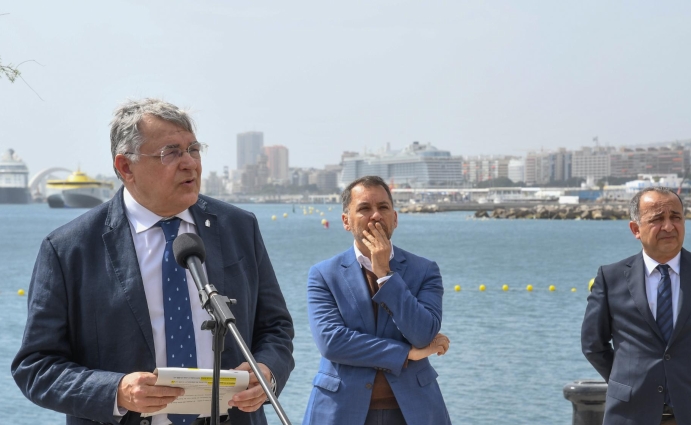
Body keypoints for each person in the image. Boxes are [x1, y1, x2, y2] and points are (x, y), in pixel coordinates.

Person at [12, 98, 295, 425]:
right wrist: (116, 391)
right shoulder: (68, 249)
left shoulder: (238, 227)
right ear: (125, 167)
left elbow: (275, 328)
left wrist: (267, 372)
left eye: (194, 149)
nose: (190, 163)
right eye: (171, 152)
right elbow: (37, 366)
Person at [581, 186, 691, 425]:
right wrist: (629, 384)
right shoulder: (611, 278)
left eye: (676, 217)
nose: (669, 227)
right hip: (629, 416)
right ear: (635, 229)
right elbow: (593, 345)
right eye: (657, 219)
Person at [303, 176, 451, 425]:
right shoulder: (324, 275)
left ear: (395, 218)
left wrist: (385, 275)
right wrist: (406, 354)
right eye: (364, 208)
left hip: (414, 410)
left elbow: (424, 334)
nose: (375, 216)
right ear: (346, 221)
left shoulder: (425, 270)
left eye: (383, 207)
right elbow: (332, 342)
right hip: (339, 410)